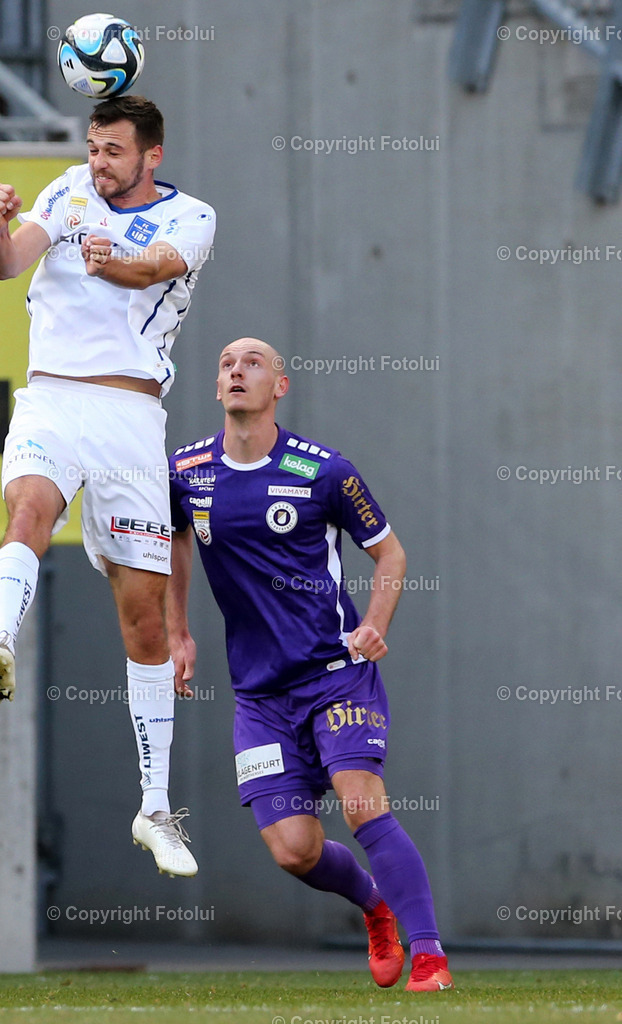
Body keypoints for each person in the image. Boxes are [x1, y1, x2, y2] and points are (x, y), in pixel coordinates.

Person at [0, 94, 215, 878]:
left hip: (131, 419)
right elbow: (10, 265)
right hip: (52, 398)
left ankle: (153, 807)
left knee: (143, 619)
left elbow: (151, 268)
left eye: (113, 151)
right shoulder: (65, 190)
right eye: (93, 146)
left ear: (153, 155)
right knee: (27, 510)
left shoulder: (195, 216)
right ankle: (0, 642)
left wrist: (109, 256)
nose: (98, 162)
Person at [166, 338, 453, 991]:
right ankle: (376, 906)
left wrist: (374, 626)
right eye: (226, 364)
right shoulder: (186, 471)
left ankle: (430, 954)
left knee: (361, 805)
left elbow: (393, 557)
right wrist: (178, 633)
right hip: (260, 695)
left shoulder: (324, 471)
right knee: (293, 850)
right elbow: (176, 544)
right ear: (216, 389)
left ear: (280, 387)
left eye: (253, 362)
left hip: (335, 671)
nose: (236, 370)